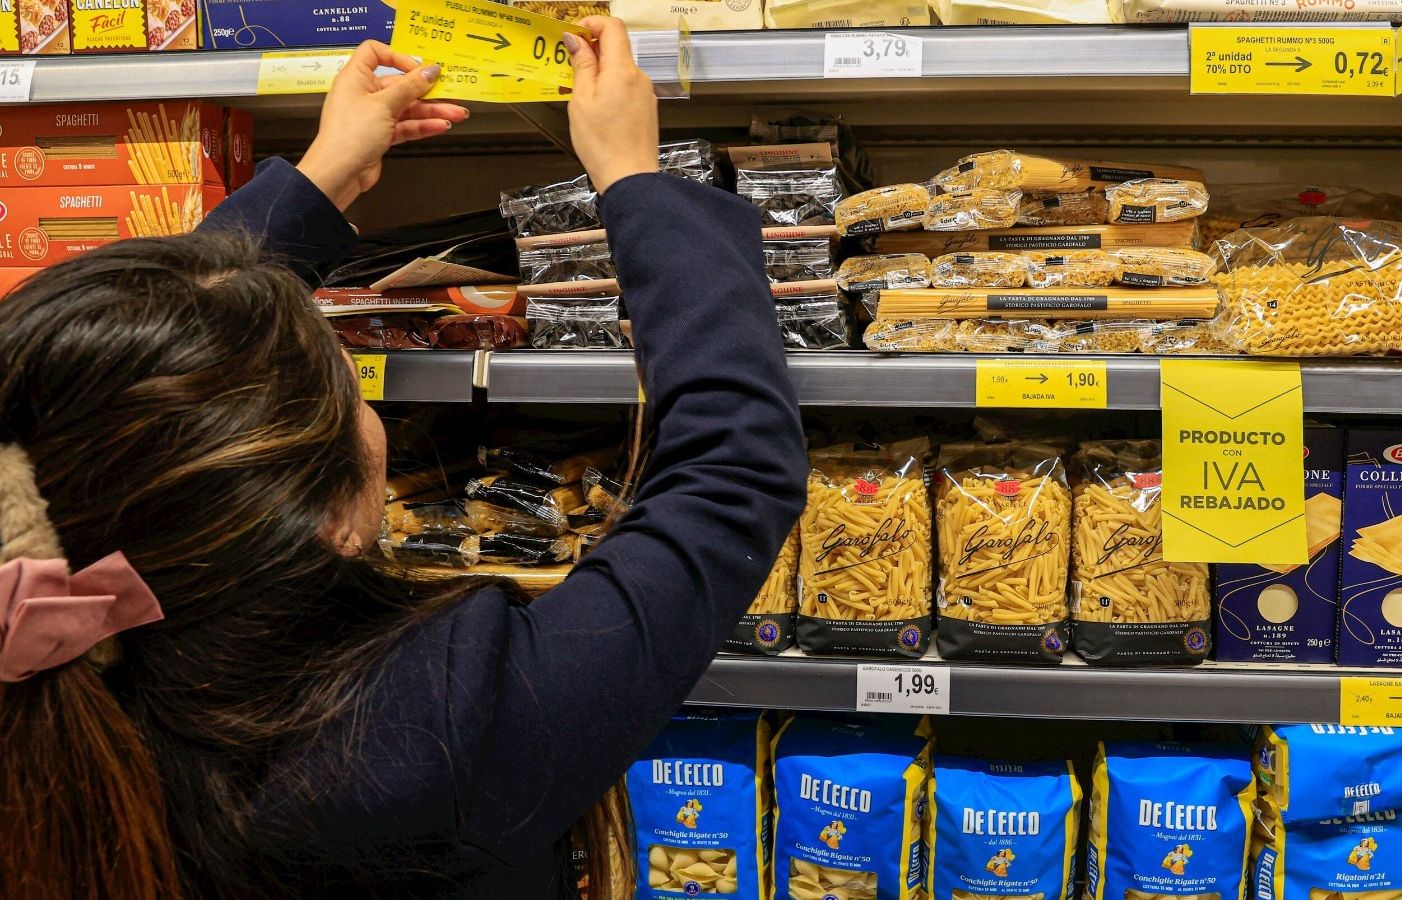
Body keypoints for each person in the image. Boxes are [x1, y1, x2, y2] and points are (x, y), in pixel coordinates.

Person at [0, 20, 806, 900]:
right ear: (333, 527)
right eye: (351, 389)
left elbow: (120, 379)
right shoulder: (433, 731)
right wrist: (636, 180)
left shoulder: (56, 688)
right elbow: (731, 473)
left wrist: (320, 177)